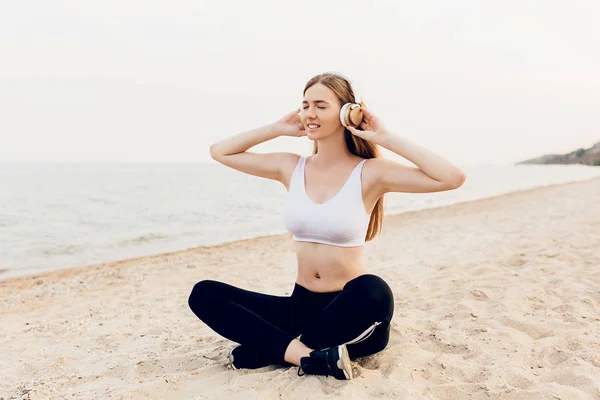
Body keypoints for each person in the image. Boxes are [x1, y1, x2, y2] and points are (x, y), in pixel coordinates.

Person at [188, 72, 466, 380]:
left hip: (353, 312)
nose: (309, 114)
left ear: (348, 112)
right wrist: (276, 129)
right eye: (305, 105)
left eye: (320, 106)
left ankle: (276, 350)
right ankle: (309, 357)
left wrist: (384, 137)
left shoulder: (371, 172)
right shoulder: (290, 167)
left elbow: (451, 177)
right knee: (204, 294)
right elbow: (220, 151)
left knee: (373, 288)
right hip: (300, 308)